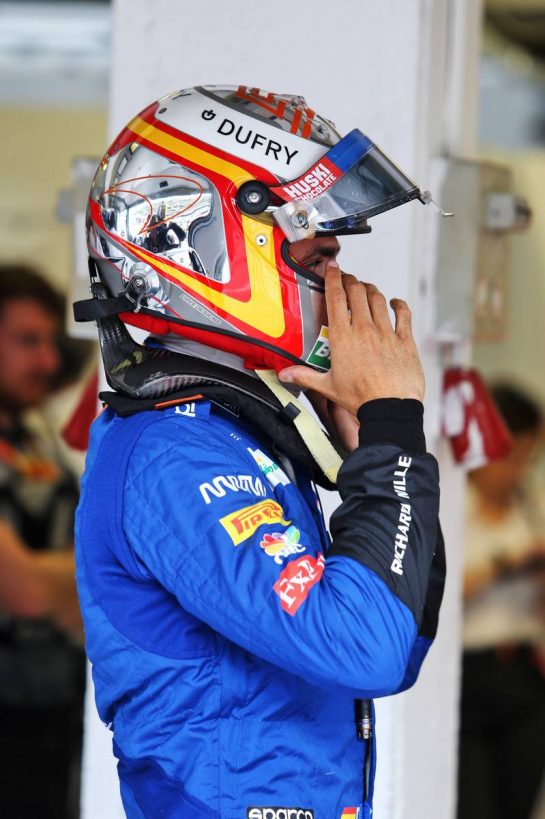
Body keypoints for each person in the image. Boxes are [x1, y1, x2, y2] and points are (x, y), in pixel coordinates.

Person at [75, 85, 445, 819]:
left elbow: (395, 643)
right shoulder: (177, 451)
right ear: (203, 247)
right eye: (319, 260)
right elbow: (363, 651)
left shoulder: (235, 431)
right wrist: (392, 426)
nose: (341, 287)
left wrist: (383, 449)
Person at [0, 264, 86, 819]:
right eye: (27, 341)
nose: (49, 362)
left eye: (50, 343)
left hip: (55, 723)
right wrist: (90, 576)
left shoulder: (35, 437)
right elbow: (22, 589)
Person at [457, 383, 545, 819]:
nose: (518, 470)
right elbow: (443, 595)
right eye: (512, 456)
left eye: (528, 458)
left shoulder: (526, 506)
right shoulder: (455, 503)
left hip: (523, 672)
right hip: (469, 672)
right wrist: (508, 564)